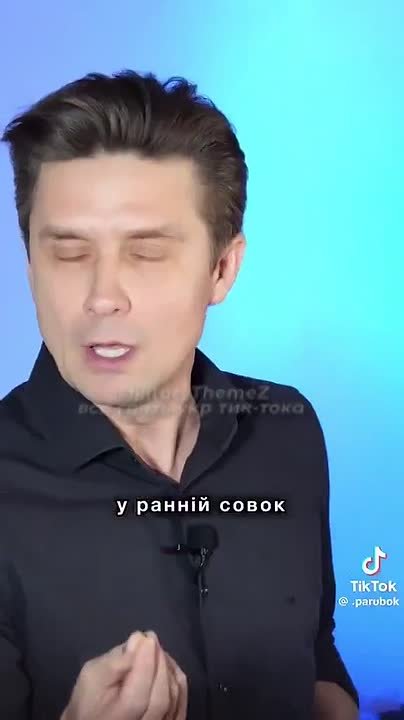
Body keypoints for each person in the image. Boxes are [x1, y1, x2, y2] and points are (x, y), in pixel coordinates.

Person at [0, 69, 359, 720]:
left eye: (146, 253)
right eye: (69, 253)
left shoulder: (287, 429)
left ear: (222, 269)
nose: (102, 297)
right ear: (30, 267)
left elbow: (316, 656)